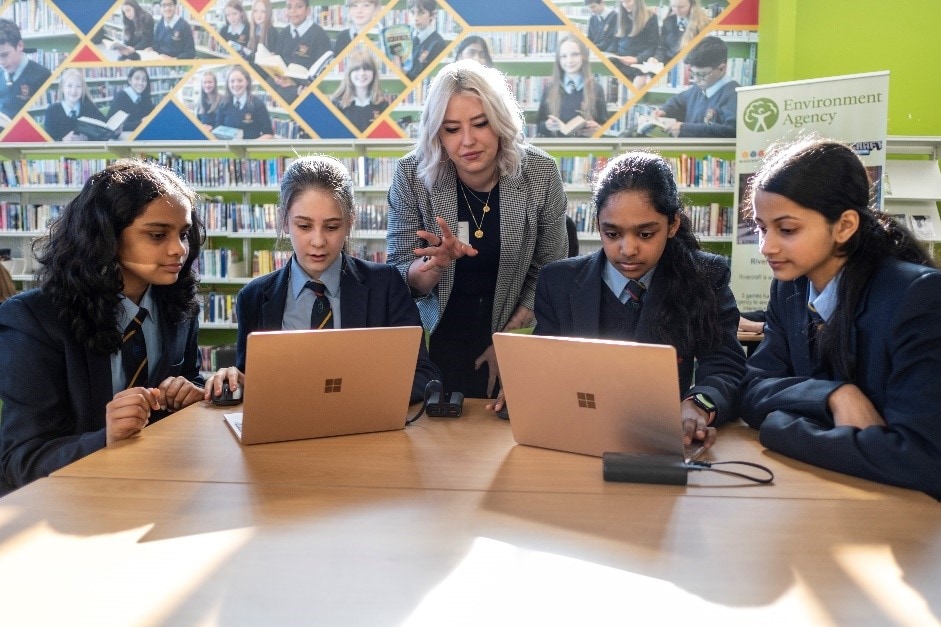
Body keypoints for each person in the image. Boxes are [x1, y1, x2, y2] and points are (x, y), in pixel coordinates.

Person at [740, 137, 941, 499]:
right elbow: (753, 387)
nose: (766, 246)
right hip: (830, 493)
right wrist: (834, 395)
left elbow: (921, 459)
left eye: (787, 230)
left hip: (905, 516)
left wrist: (779, 427)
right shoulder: (789, 290)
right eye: (760, 227)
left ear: (844, 226)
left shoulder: (917, 297)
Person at [0, 159, 206, 492]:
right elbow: (21, 460)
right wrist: (104, 439)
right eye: (157, 235)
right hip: (68, 506)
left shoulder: (179, 307)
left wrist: (191, 395)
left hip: (158, 487)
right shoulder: (32, 321)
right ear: (106, 236)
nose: (178, 249)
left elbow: (189, 379)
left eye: (184, 234)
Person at [533, 151, 746, 450]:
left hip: (661, 439)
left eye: (645, 234)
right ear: (598, 225)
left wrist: (698, 404)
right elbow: (543, 365)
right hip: (577, 438)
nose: (627, 249)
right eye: (612, 233)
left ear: (672, 225)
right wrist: (528, 390)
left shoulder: (706, 276)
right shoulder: (558, 282)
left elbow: (724, 365)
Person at [386, 59, 568, 404]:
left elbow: (551, 270)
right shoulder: (411, 175)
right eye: (451, 129)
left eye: (481, 124)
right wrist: (434, 267)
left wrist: (510, 342)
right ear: (436, 133)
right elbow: (399, 276)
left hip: (510, 336)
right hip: (433, 342)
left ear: (500, 121)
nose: (467, 141)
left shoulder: (540, 173)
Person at [203, 155, 439, 405]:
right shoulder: (253, 297)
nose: (318, 242)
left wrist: (355, 398)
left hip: (362, 432)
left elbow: (425, 377)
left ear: (350, 221)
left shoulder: (386, 285)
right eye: (304, 226)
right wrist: (234, 380)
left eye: (332, 227)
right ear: (283, 220)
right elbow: (250, 383)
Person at [652, 35, 738, 137]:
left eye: (702, 74)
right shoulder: (700, 88)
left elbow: (732, 131)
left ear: (721, 69)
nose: (696, 80)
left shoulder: (734, 95)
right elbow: (678, 101)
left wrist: (686, 129)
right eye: (693, 73)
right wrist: (664, 110)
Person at [535, 36, 608, 138]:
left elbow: (604, 125)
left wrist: (598, 130)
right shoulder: (549, 89)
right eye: (564, 56)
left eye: (574, 54)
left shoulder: (597, 88)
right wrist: (547, 125)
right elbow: (539, 125)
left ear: (583, 56)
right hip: (557, 149)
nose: (569, 60)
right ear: (558, 60)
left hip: (585, 149)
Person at [270, 0, 332, 103]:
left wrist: (295, 84)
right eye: (289, 7)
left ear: (308, 11)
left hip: (304, 89)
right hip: (283, 85)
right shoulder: (283, 34)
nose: (293, 11)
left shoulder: (319, 35)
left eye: (298, 7)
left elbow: (322, 71)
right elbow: (279, 61)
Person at [0, 18, 51, 119]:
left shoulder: (42, 75)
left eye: (4, 55)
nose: (1, 62)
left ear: (20, 46)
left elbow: (46, 113)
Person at [43, 68, 107, 142]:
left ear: (82, 89)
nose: (74, 90)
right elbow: (47, 142)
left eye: (78, 86)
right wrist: (63, 140)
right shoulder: (51, 111)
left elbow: (105, 129)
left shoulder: (89, 107)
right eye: (69, 86)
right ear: (62, 88)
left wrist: (88, 139)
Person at [332, 48, 385, 132]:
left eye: (367, 69)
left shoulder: (383, 105)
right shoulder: (336, 104)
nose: (362, 73)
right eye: (356, 69)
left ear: (374, 73)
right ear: (349, 74)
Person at [608, 0, 659, 87]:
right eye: (622, 2)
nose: (625, 5)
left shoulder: (651, 17)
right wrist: (609, 54)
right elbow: (614, 43)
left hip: (638, 60)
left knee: (641, 76)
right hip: (620, 58)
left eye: (628, 1)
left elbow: (653, 47)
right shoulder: (620, 17)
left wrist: (637, 59)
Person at [214, 65, 273, 139]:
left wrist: (249, 146)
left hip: (251, 149)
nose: (236, 85)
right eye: (232, 81)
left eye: (240, 80)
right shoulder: (223, 104)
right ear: (228, 84)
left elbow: (268, 134)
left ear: (247, 82)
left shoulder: (258, 104)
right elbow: (217, 129)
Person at [654, 0, 711, 65]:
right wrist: (656, 58)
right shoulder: (668, 21)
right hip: (670, 64)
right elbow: (663, 47)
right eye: (673, 6)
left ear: (692, 5)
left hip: (692, 65)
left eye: (681, 7)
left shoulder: (702, 24)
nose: (676, 10)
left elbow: (704, 52)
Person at [405, 0, 445, 81]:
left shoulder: (438, 43)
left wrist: (403, 73)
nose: (415, 18)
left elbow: (422, 77)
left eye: (421, 13)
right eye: (412, 12)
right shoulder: (407, 37)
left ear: (433, 14)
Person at [108, 66, 155, 136]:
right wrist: (140, 123)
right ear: (130, 80)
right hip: (124, 138)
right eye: (137, 78)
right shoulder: (121, 96)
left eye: (144, 80)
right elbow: (111, 125)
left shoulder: (145, 97)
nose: (140, 83)